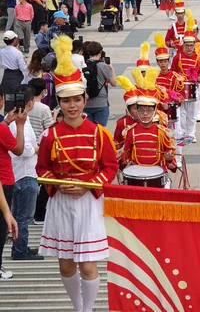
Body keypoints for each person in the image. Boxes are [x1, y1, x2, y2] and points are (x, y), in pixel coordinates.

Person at [36, 35, 118, 312]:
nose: (72, 106)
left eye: (77, 100)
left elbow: (110, 167)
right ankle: (77, 305)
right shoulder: (50, 135)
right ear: (58, 101)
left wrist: (87, 186)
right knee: (66, 263)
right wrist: (56, 186)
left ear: (85, 99)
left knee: (88, 263)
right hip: (60, 202)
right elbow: (42, 169)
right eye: (66, 101)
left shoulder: (99, 133)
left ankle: (88, 309)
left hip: (88, 202)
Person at [120, 67, 176, 174]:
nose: (145, 113)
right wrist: (122, 161)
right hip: (136, 173)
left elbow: (171, 163)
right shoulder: (131, 131)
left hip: (158, 174)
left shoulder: (162, 132)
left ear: (155, 111)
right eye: (141, 110)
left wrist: (170, 160)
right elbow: (126, 154)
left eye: (149, 110)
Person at [9, 84, 43, 261]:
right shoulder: (19, 124)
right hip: (24, 174)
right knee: (24, 216)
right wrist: (39, 147)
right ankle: (20, 250)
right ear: (30, 103)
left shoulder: (19, 120)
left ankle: (20, 246)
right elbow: (25, 149)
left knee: (19, 215)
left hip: (21, 173)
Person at [0, 89, 28, 278]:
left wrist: (6, 122)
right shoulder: (1, 129)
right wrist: (19, 125)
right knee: (2, 226)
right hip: (4, 180)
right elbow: (18, 149)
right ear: (1, 100)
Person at [171, 14, 200, 142]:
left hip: (193, 88)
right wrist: (177, 78)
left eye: (191, 45)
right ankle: (184, 132)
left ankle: (191, 133)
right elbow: (172, 71)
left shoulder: (198, 57)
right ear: (184, 45)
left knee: (192, 113)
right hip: (181, 89)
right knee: (182, 113)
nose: (189, 48)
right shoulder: (177, 57)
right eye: (187, 45)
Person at [83, 42, 117, 126]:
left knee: (88, 131)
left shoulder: (83, 65)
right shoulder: (102, 66)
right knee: (100, 131)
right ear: (100, 52)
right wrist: (112, 69)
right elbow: (113, 83)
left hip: (85, 103)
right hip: (101, 102)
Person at [26, 78, 53, 142]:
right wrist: (55, 115)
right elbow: (49, 129)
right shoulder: (44, 108)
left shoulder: (25, 105)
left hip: (26, 141)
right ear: (44, 91)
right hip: (38, 144)